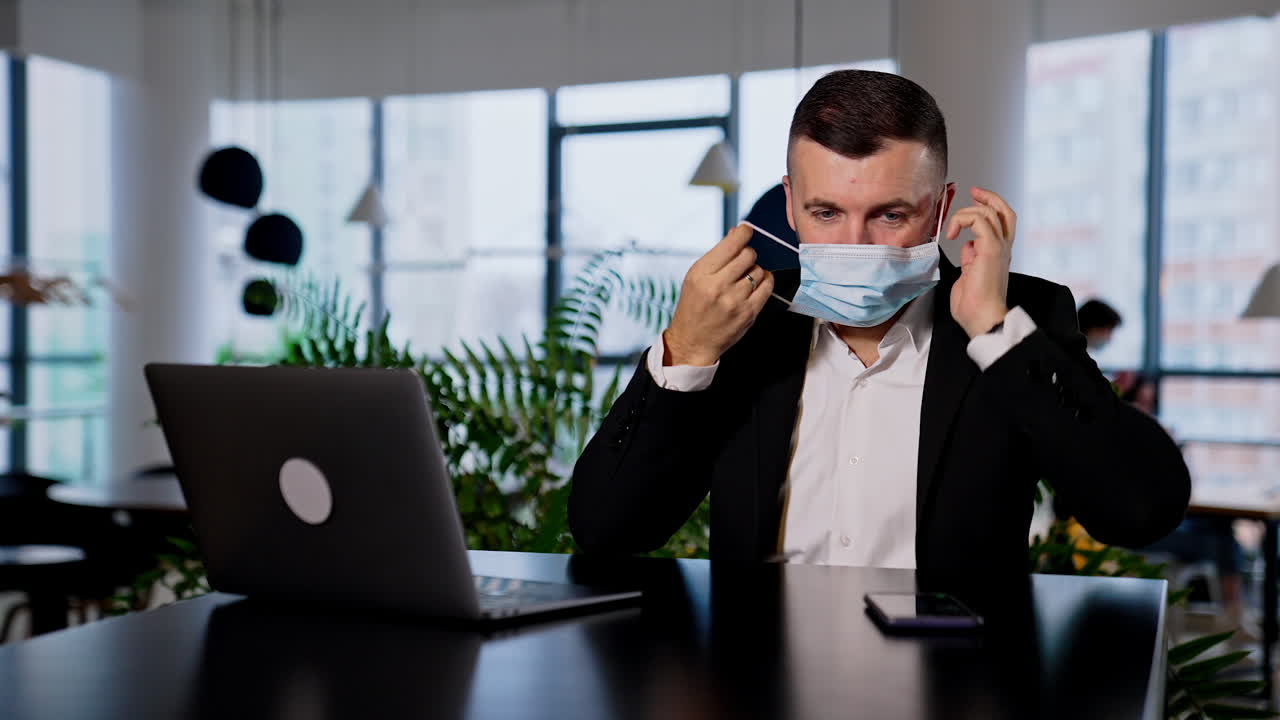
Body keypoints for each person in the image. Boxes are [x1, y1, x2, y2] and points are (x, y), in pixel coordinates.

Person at [568, 70, 1189, 581]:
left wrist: (995, 333)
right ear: (789, 204)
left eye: (890, 215)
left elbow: (1140, 511)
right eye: (825, 212)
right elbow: (605, 529)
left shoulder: (1020, 319)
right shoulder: (742, 324)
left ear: (943, 209)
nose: (855, 243)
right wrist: (687, 352)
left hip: (952, 681)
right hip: (759, 680)